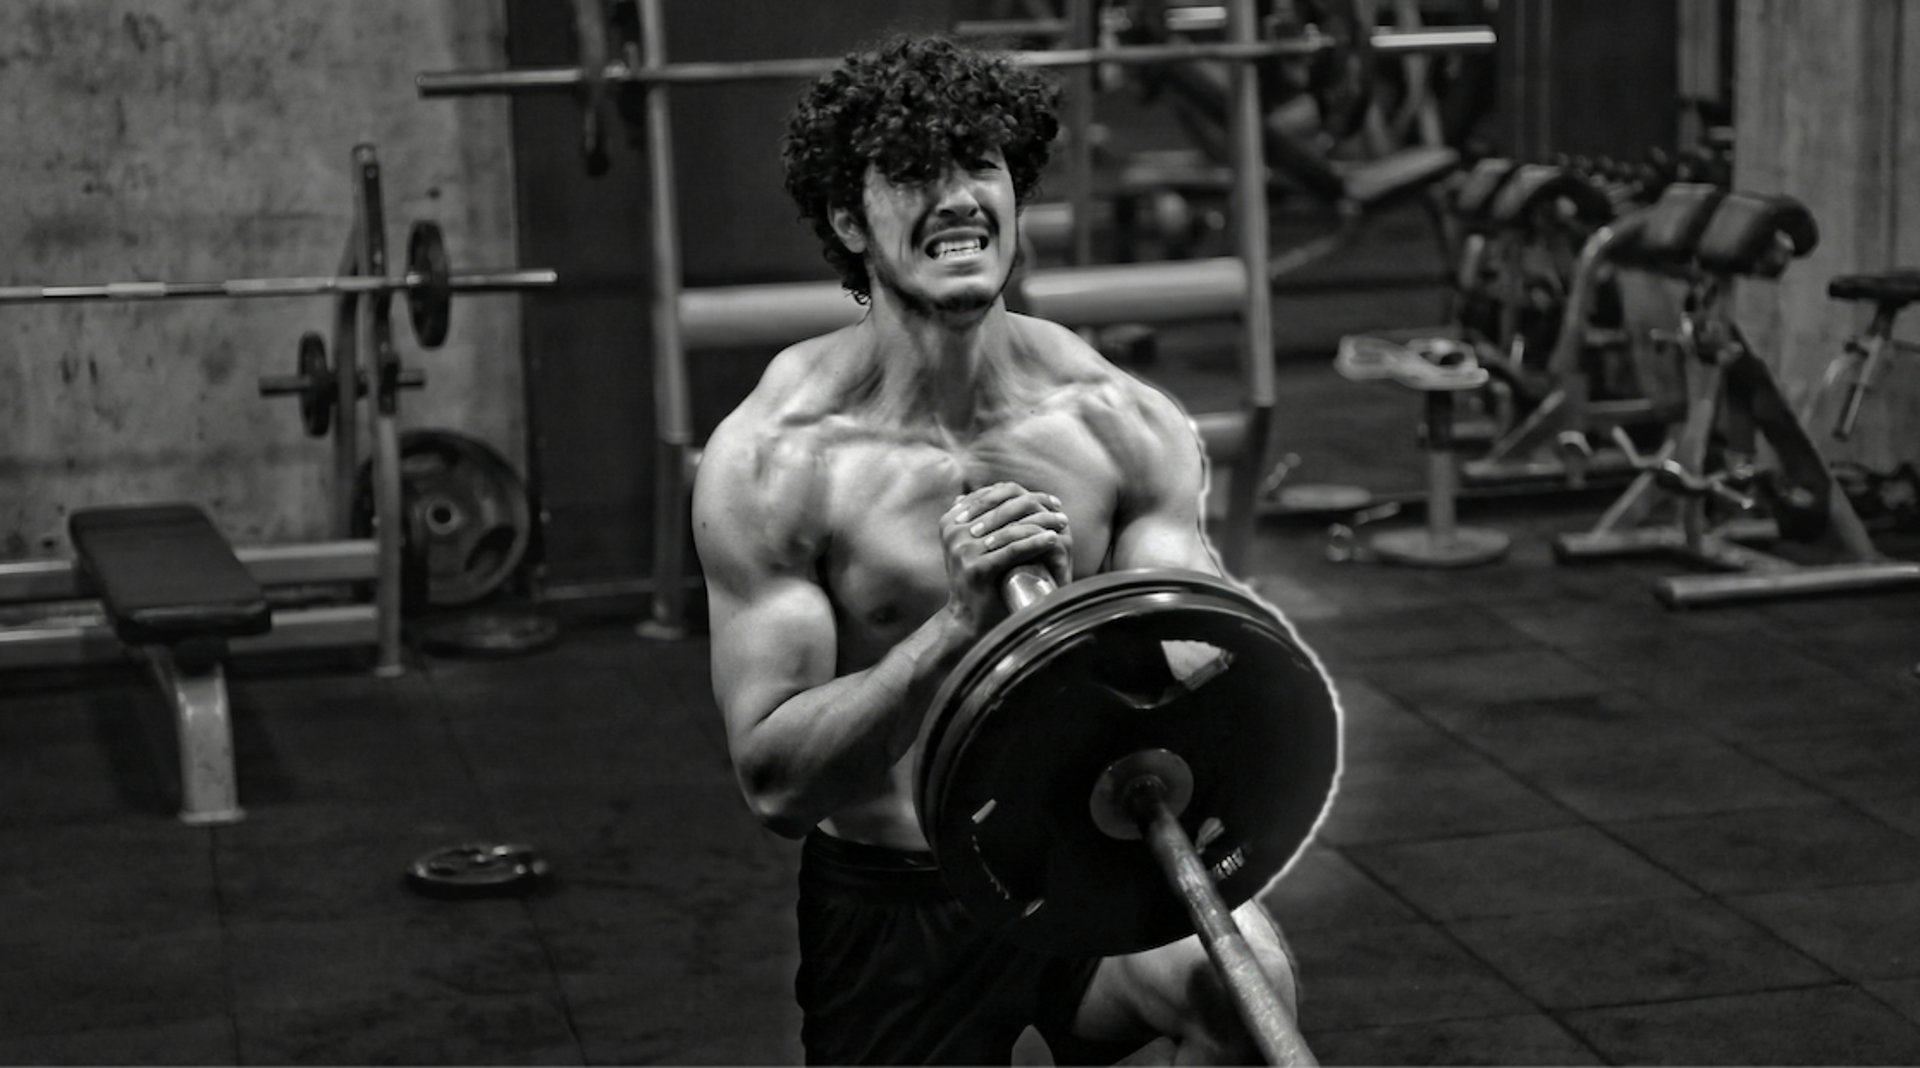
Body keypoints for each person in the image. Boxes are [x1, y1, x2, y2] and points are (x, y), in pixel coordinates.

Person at [692, 34, 1312, 1066]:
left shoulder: (1116, 421)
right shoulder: (776, 460)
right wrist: (952, 630)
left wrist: (1229, 666)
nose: (959, 199)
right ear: (850, 219)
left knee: (1245, 990)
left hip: (1087, 852)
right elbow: (777, 787)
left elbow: (1206, 658)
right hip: (900, 896)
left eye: (979, 165)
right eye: (914, 175)